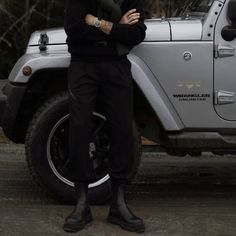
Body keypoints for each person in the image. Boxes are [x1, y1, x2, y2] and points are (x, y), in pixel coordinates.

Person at [63, 0, 147, 233]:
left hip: (117, 66)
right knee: (79, 128)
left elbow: (136, 34)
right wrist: (116, 27)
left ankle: (118, 204)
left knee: (122, 131)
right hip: (83, 66)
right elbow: (74, 29)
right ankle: (82, 202)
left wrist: (97, 22)